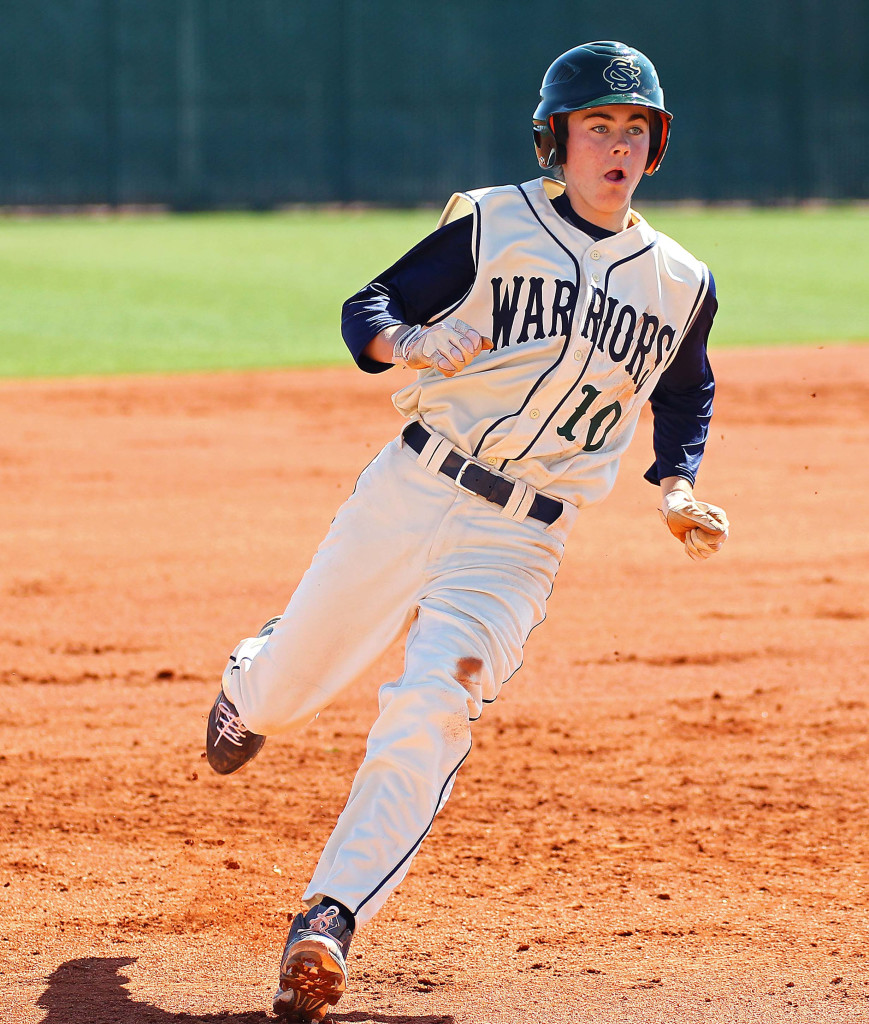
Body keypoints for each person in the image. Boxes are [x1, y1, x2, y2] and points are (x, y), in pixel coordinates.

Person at [205, 39, 729, 1022]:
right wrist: (408, 338)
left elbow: (687, 383)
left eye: (632, 129)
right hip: (409, 491)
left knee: (431, 707)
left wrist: (673, 483)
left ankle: (328, 918)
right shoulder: (494, 222)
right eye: (594, 126)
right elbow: (368, 306)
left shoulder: (679, 281)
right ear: (554, 141)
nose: (613, 145)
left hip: (519, 542)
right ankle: (250, 679)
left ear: (653, 147)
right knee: (287, 687)